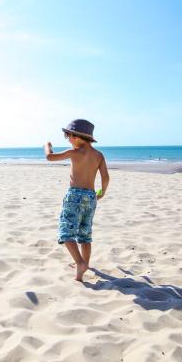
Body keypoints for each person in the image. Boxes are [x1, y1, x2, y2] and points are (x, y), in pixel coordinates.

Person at [44, 119, 110, 282]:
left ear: (78, 136)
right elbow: (106, 178)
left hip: (74, 196)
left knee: (66, 232)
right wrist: (101, 193)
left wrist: (47, 146)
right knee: (85, 234)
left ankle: (80, 262)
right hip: (91, 196)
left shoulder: (74, 152)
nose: (68, 140)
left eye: (68, 136)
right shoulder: (99, 155)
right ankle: (84, 265)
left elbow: (50, 157)